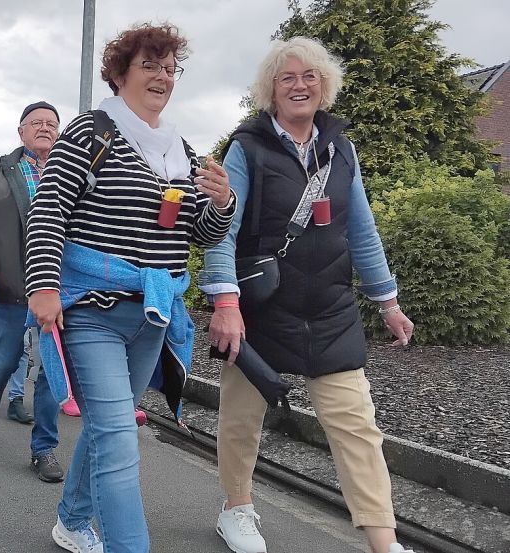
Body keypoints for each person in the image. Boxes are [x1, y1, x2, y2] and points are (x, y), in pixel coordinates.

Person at [199, 37, 416, 553]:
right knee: (241, 420)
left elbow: (360, 228)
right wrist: (225, 303)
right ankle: (237, 509)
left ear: (324, 85)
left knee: (357, 426)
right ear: (270, 90)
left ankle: (385, 544)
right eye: (287, 78)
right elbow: (221, 229)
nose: (299, 85)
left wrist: (387, 300)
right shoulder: (246, 148)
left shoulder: (341, 149)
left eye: (309, 77)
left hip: (330, 307)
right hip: (260, 309)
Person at [26, 23, 235, 553]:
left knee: (106, 429)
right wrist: (43, 287)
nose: (163, 76)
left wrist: (221, 204)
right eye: (150, 65)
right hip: (93, 310)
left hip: (153, 316)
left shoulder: (181, 152)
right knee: (120, 440)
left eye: (170, 68)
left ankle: (72, 521)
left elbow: (196, 233)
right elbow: (49, 211)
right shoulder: (89, 133)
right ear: (119, 74)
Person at [0, 101, 64, 482]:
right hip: (11, 284)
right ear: (20, 132)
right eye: (35, 123)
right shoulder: (0, 173)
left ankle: (44, 449)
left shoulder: (71, 171)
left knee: (53, 368)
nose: (44, 128)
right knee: (3, 362)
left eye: (51, 123)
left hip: (57, 288)